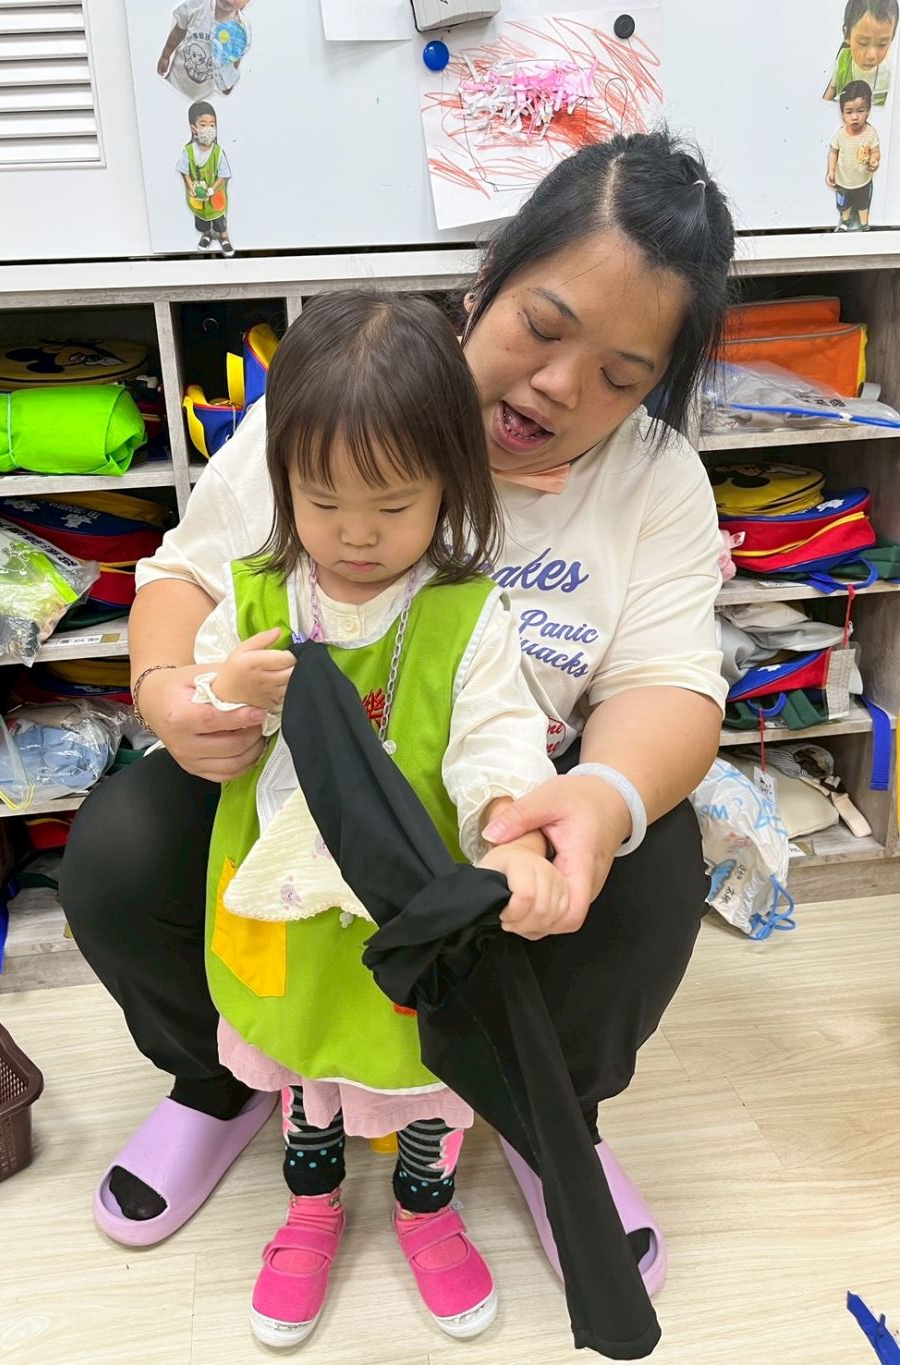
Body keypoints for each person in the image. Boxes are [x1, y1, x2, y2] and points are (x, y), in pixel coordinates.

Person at [61, 130, 736, 1301]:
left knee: (656, 864)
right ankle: (222, 1083)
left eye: (620, 376)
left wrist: (592, 799)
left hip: (491, 809)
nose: (560, 386)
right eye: (541, 326)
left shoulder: (652, 480)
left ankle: (543, 1116)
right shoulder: (338, 405)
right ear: (483, 286)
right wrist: (172, 695)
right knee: (120, 846)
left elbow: (669, 686)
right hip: (290, 792)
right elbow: (185, 577)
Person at [193, 291, 562, 1345]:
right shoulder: (259, 597)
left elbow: (498, 737)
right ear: (283, 483)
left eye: (393, 505)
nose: (356, 534)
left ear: (450, 480)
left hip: (412, 909)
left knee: (427, 1072)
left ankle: (426, 1209)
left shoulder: (465, 613)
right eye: (323, 502)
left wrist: (513, 824)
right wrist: (223, 692)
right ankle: (310, 1209)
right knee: (304, 1065)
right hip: (293, 913)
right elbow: (204, 711)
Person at [157, 0, 252, 100]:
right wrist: (165, 56)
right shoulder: (197, 6)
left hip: (205, 94)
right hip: (176, 81)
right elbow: (179, 31)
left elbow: (235, 58)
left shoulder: (240, 31)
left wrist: (228, 81)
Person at [178, 102, 233, 255]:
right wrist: (191, 187)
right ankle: (206, 235)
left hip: (215, 195)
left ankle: (224, 238)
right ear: (193, 128)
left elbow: (223, 175)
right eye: (203, 125)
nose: (208, 128)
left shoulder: (218, 152)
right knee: (201, 218)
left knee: (219, 219)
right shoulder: (188, 151)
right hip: (198, 196)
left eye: (212, 125)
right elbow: (184, 172)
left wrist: (213, 189)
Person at [827, 80, 880, 231]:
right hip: (843, 181)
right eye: (849, 112)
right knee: (844, 205)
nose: (855, 117)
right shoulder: (840, 135)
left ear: (868, 110)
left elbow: (875, 151)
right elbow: (833, 152)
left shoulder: (870, 133)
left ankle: (864, 224)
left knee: (864, 204)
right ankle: (845, 221)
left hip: (863, 181)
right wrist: (831, 171)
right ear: (842, 113)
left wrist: (874, 160)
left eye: (860, 111)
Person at [823, 0, 898, 106]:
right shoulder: (843, 59)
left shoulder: (889, 74)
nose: (871, 55)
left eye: (882, 44)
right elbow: (832, 87)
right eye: (863, 43)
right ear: (847, 35)